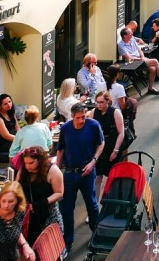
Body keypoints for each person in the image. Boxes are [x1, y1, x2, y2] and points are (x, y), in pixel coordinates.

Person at [56, 102, 104, 253]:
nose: (82, 120)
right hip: (69, 173)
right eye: (78, 118)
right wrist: (57, 169)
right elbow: (61, 150)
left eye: (84, 116)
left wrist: (93, 162)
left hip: (87, 172)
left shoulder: (93, 125)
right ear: (72, 116)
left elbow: (101, 143)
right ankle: (67, 242)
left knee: (92, 205)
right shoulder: (65, 129)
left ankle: (96, 236)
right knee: (66, 209)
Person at [16, 147, 64, 247]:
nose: (28, 166)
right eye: (26, 163)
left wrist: (41, 203)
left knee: (48, 247)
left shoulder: (53, 170)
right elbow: (16, 187)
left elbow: (59, 193)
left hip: (48, 213)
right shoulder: (23, 170)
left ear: (40, 161)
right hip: (27, 214)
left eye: (31, 163)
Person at [117, 27, 159, 95]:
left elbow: (139, 50)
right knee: (155, 61)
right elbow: (129, 58)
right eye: (130, 33)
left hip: (140, 59)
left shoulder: (132, 39)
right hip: (132, 63)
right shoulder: (121, 45)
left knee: (153, 69)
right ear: (125, 36)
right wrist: (141, 59)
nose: (132, 33)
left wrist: (143, 57)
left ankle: (150, 88)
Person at [92, 91, 126, 199]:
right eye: (97, 102)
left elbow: (121, 133)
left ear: (108, 101)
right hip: (99, 149)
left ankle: (111, 200)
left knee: (112, 177)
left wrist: (115, 151)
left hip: (112, 147)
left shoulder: (115, 112)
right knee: (97, 177)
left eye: (101, 102)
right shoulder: (94, 112)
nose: (99, 105)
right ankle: (96, 203)